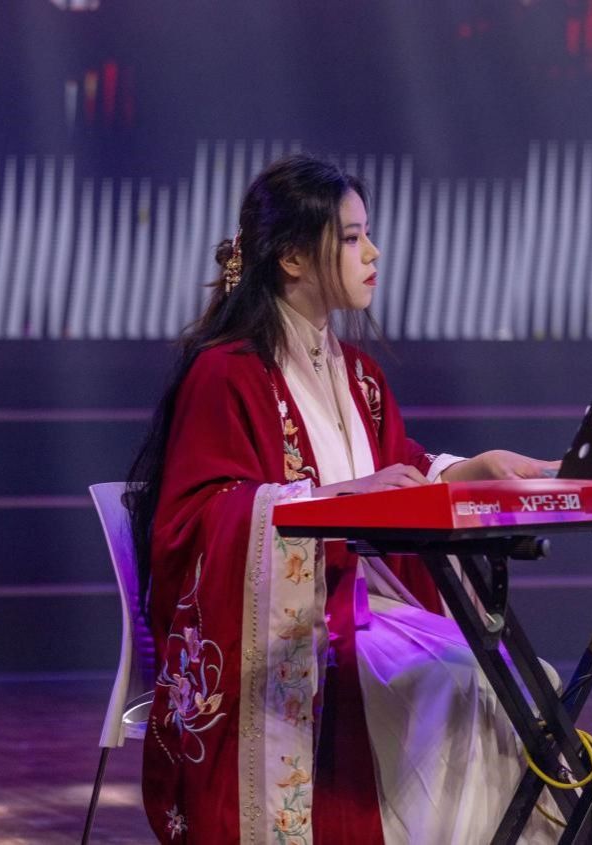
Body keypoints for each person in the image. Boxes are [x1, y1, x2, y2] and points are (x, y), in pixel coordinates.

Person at [128, 153, 563, 844]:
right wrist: (332, 497)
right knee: (463, 684)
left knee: (524, 680)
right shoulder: (227, 372)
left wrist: (475, 469)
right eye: (353, 237)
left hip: (361, 610)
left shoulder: (357, 375)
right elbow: (198, 518)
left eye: (368, 234)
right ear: (294, 257)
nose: (373, 252)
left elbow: (397, 470)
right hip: (299, 627)